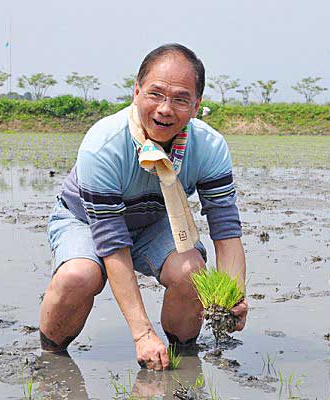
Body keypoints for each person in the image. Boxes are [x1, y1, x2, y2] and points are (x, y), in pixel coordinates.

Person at [39, 43, 248, 370]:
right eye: (155, 94)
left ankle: (184, 357)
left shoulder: (210, 147)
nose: (165, 109)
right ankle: (51, 356)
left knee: (191, 271)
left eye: (180, 99)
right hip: (85, 221)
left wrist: (232, 295)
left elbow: (226, 230)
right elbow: (112, 245)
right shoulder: (103, 145)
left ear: (196, 106)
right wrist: (142, 334)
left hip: (154, 220)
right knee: (79, 275)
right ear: (136, 92)